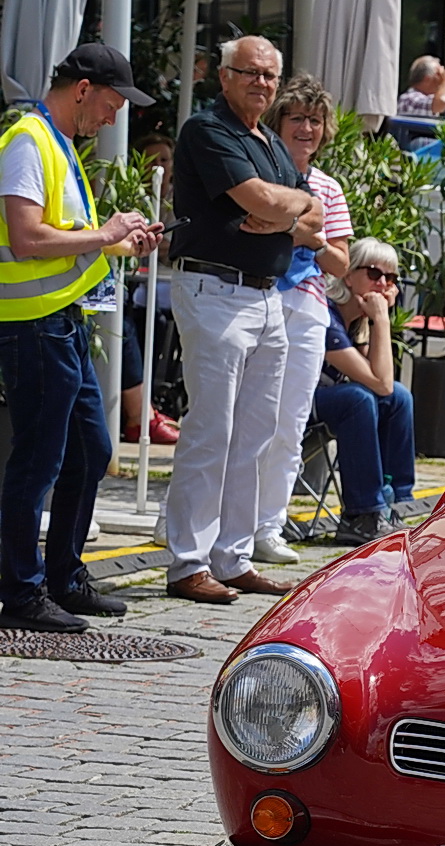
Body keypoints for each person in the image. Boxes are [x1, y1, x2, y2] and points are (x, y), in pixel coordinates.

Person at [0, 44, 162, 633]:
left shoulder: (57, 141)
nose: (114, 119)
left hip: (61, 323)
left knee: (91, 450)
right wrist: (105, 233)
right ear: (84, 89)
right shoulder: (29, 139)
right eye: (113, 105)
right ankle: (21, 592)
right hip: (34, 325)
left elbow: (65, 239)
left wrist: (120, 242)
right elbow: (26, 238)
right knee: (38, 461)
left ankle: (63, 578)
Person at [163, 35, 320, 605]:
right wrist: (283, 209)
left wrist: (284, 214)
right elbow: (261, 200)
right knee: (211, 430)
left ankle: (232, 557)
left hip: (267, 295)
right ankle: (188, 563)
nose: (262, 83)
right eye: (250, 72)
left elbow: (314, 215)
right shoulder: (208, 131)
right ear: (224, 76)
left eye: (270, 75)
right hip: (215, 289)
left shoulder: (271, 142)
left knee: (256, 434)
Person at [254, 72, 352, 565]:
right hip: (257, 296)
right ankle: (212, 521)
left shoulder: (328, 188)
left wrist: (311, 239)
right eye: (297, 118)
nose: (307, 128)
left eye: (315, 120)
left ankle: (268, 527)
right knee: (241, 417)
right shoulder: (258, 175)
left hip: (308, 306)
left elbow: (342, 263)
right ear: (279, 122)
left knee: (290, 421)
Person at [313, 239, 414, 543]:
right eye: (373, 273)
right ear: (347, 275)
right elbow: (378, 382)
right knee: (357, 399)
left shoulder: (357, 321)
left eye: (390, 278)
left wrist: (377, 320)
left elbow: (384, 384)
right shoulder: (326, 316)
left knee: (399, 398)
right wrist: (381, 318)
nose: (382, 284)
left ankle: (396, 502)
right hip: (295, 403)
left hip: (326, 401)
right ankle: (361, 514)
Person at [122, 132, 179, 446]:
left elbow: (177, 246)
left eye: (164, 159)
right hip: (137, 283)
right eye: (151, 160)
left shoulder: (179, 197)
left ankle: (150, 398)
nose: (158, 166)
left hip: (167, 285)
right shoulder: (129, 197)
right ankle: (138, 406)